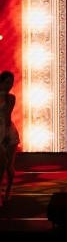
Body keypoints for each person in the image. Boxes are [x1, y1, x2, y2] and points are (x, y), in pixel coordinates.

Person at [0, 71, 18, 206]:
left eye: (11, 83)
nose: (9, 85)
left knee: (8, 164)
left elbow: (7, 117)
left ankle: (9, 188)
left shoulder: (11, 98)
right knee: (1, 163)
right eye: (7, 82)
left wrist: (5, 134)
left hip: (7, 132)